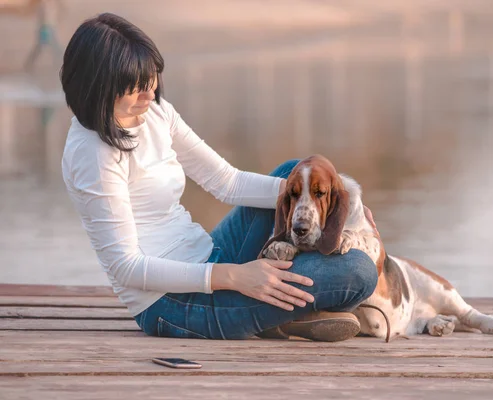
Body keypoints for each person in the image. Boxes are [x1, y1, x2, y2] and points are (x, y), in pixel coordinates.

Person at [60, 12, 377, 341]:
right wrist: (235, 277)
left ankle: (280, 309)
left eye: (151, 81)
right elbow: (127, 267)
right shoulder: (93, 155)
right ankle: (281, 310)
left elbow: (228, 182)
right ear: (98, 88)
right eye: (136, 88)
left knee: (293, 176)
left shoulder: (154, 112)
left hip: (210, 257)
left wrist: (346, 206)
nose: (150, 96)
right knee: (358, 271)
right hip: (170, 302)